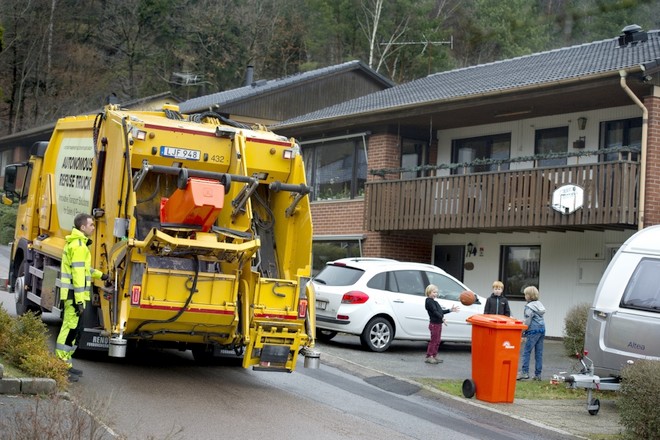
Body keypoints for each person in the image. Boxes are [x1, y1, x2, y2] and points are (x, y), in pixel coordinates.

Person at [56, 213, 108, 382]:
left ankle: (66, 365)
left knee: (73, 330)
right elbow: (78, 276)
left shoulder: (78, 244)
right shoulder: (79, 246)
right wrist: (79, 301)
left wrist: (102, 276)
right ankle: (61, 366)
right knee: (69, 329)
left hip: (73, 294)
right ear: (82, 227)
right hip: (74, 295)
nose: (93, 227)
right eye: (91, 225)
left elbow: (85, 270)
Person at [424, 284, 459, 364]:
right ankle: (429, 356)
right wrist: (442, 318)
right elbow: (435, 312)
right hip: (434, 324)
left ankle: (434, 355)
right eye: (434, 292)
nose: (435, 294)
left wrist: (450, 310)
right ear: (429, 292)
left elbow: (440, 312)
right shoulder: (429, 301)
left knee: (437, 341)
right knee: (433, 341)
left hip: (438, 323)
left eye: (436, 292)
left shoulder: (435, 302)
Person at [518, 286, 546, 380]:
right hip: (542, 329)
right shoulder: (539, 304)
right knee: (539, 353)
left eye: (526, 294)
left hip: (533, 331)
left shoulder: (529, 307)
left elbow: (528, 321)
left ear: (529, 296)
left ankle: (524, 372)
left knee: (526, 352)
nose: (525, 296)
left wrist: (522, 331)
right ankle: (538, 375)